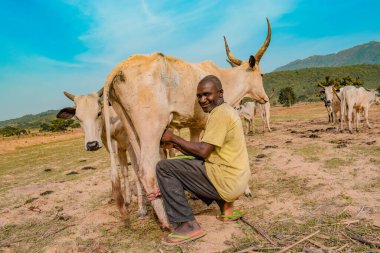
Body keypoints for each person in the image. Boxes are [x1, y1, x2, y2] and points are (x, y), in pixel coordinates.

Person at [148, 75, 250, 246]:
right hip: (237, 180)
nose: (203, 100)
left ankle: (188, 225)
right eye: (199, 96)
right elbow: (209, 151)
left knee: (164, 168)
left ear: (220, 93)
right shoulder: (227, 110)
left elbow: (203, 151)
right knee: (189, 162)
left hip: (227, 182)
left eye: (207, 94)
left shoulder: (220, 114)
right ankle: (227, 209)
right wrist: (175, 145)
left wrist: (173, 137)